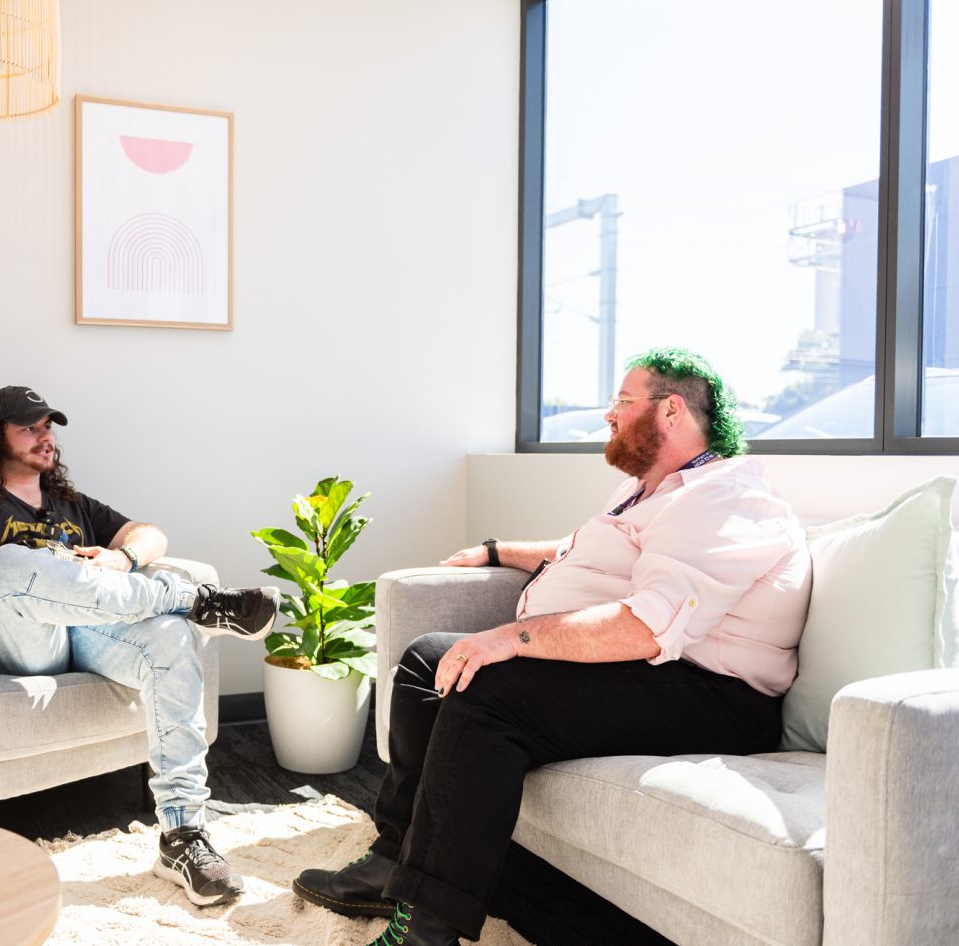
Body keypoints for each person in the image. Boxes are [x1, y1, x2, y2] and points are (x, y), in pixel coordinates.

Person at [292, 348, 812, 946]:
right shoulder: (656, 491)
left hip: (714, 695)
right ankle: (392, 858)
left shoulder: (726, 498)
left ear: (670, 411)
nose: (609, 416)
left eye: (622, 401)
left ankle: (427, 929)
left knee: (487, 686)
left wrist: (512, 639)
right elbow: (578, 552)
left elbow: (648, 627)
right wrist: (496, 551)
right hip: (655, 672)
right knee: (428, 658)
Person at [0, 385, 281, 907]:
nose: (45, 437)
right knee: (11, 561)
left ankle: (182, 836)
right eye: (30, 427)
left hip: (87, 636)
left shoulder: (71, 504)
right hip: (12, 639)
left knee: (169, 634)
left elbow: (150, 533)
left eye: (48, 426)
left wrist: (126, 561)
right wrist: (50, 570)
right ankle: (192, 598)